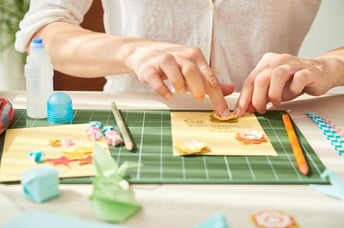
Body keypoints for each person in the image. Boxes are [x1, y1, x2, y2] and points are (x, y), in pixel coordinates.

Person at [15, 0, 344, 117]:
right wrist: (132, 51)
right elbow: (42, 32)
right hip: (132, 120)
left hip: (272, 125)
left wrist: (326, 66)